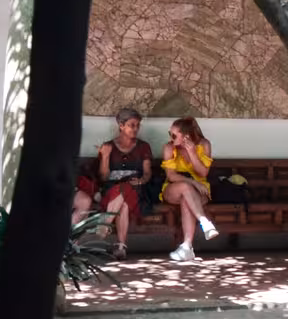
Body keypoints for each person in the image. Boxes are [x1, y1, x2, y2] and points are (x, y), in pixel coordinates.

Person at [92, 107, 153, 259]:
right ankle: (120, 247)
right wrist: (105, 157)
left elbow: (147, 173)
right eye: (132, 125)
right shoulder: (108, 145)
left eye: (138, 125)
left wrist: (141, 180)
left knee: (126, 189)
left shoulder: (143, 146)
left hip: (136, 188)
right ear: (121, 125)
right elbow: (104, 178)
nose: (135, 129)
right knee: (123, 200)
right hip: (111, 188)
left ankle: (105, 223)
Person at [160, 117, 219, 262]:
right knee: (186, 188)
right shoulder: (169, 148)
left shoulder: (204, 145)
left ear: (186, 137)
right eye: (170, 134)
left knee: (187, 199)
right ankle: (204, 221)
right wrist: (193, 183)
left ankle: (187, 246)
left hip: (200, 190)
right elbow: (171, 175)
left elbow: (203, 173)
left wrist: (192, 153)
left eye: (174, 135)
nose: (170, 138)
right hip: (174, 188)